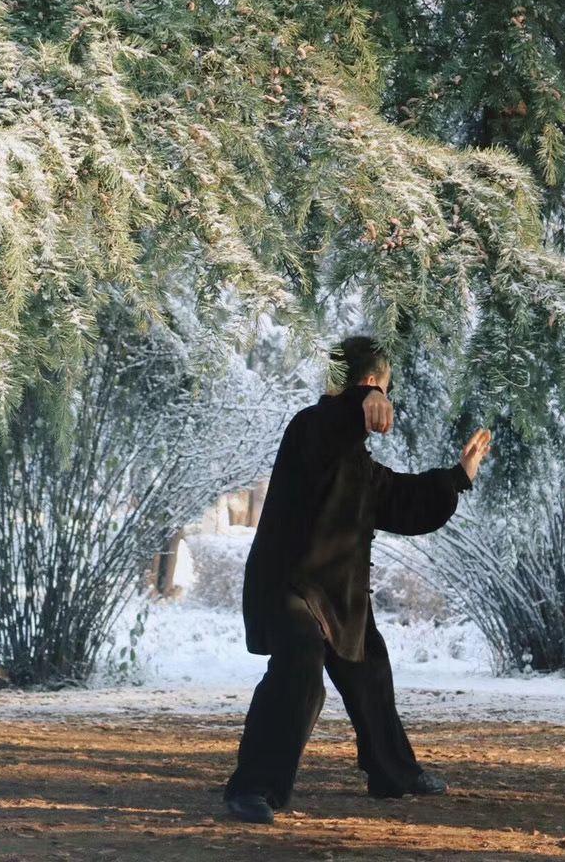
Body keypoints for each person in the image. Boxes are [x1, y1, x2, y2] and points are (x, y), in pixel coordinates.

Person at [223, 336, 492, 824]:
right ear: (369, 384)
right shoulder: (312, 428)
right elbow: (337, 416)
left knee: (369, 666)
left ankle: (392, 773)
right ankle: (252, 788)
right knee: (300, 665)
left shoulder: (357, 465)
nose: (383, 402)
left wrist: (458, 477)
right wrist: (364, 398)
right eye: (383, 391)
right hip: (290, 589)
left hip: (336, 597)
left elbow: (401, 499)